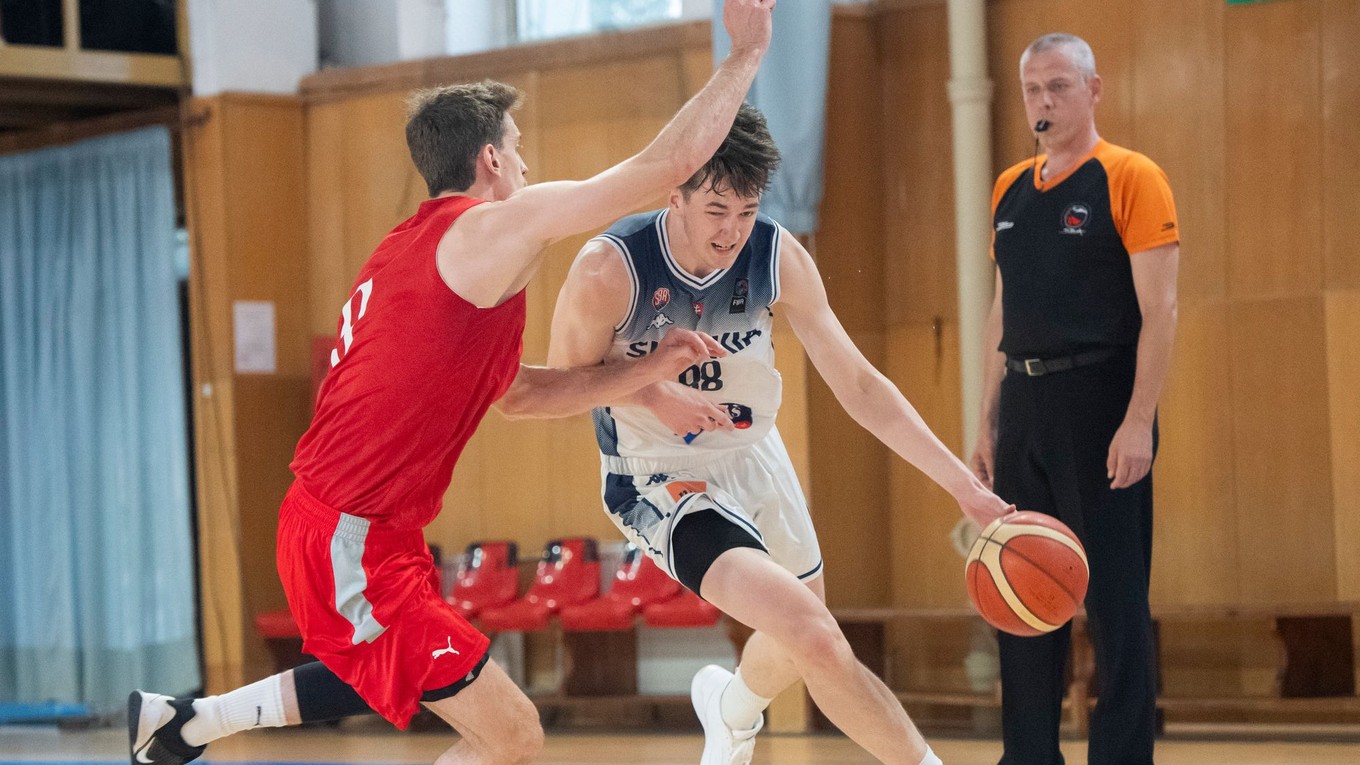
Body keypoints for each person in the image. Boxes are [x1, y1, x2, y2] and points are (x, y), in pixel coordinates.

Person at [127, 3, 778, 765]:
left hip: (365, 529)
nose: (528, 164)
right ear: (491, 161)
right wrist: (746, 54)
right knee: (510, 733)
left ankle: (182, 724)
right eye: (519, 147)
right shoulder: (480, 231)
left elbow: (522, 396)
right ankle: (184, 723)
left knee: (387, 677)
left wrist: (645, 370)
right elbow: (663, 169)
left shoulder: (421, 254)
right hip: (351, 532)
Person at [547, 103, 1012, 765]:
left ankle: (732, 706)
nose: (732, 231)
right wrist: (651, 391)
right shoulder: (609, 270)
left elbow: (859, 385)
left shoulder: (776, 254)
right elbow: (559, 383)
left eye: (746, 209)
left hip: (754, 453)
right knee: (815, 636)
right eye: (715, 210)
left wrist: (962, 486)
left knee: (798, 638)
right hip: (658, 470)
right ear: (672, 189)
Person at [969, 33, 1180, 765]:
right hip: (1024, 405)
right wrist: (987, 417)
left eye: (1058, 86)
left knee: (1114, 604)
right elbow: (1003, 308)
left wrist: (1138, 421)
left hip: (1101, 402)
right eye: (1032, 89)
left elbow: (1163, 311)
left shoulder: (1131, 177)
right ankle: (1027, 756)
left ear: (1094, 89)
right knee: (1023, 594)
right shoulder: (1008, 190)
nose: (1044, 101)